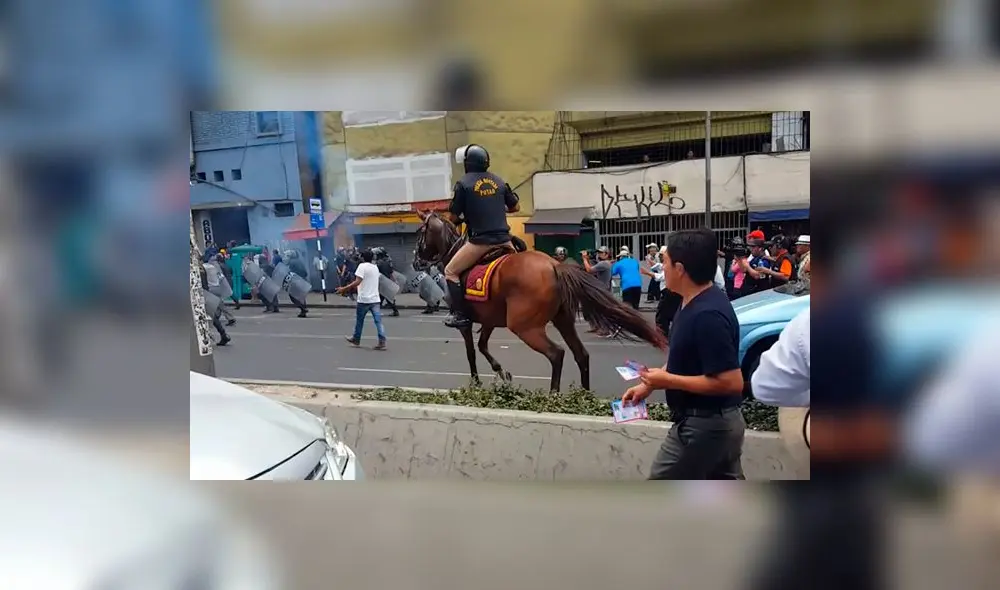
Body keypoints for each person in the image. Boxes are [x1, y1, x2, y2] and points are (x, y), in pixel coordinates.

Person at [622, 228, 745, 480]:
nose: (661, 268)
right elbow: (686, 358)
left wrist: (667, 381)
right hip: (708, 425)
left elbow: (731, 382)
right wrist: (650, 385)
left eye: (664, 263)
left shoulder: (708, 315)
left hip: (705, 427)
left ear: (679, 268)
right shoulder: (689, 301)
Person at [442, 144, 520, 328]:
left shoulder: (463, 184)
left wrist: (464, 216)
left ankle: (460, 315)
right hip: (505, 240)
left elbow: (452, 217)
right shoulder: (499, 181)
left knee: (450, 271)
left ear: (468, 163)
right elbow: (515, 207)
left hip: (481, 242)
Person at [336, 248, 387, 350]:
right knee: (378, 321)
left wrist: (344, 289)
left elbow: (357, 281)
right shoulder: (375, 267)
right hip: (375, 299)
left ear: (363, 258)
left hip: (364, 299)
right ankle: (382, 341)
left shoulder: (362, 266)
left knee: (360, 321)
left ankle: (356, 339)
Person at [374, 247, 401, 317]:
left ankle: (395, 311)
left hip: (382, 283)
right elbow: (391, 273)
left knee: (383, 298)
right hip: (387, 282)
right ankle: (394, 311)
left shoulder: (378, 264)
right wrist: (394, 281)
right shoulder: (387, 262)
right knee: (384, 298)